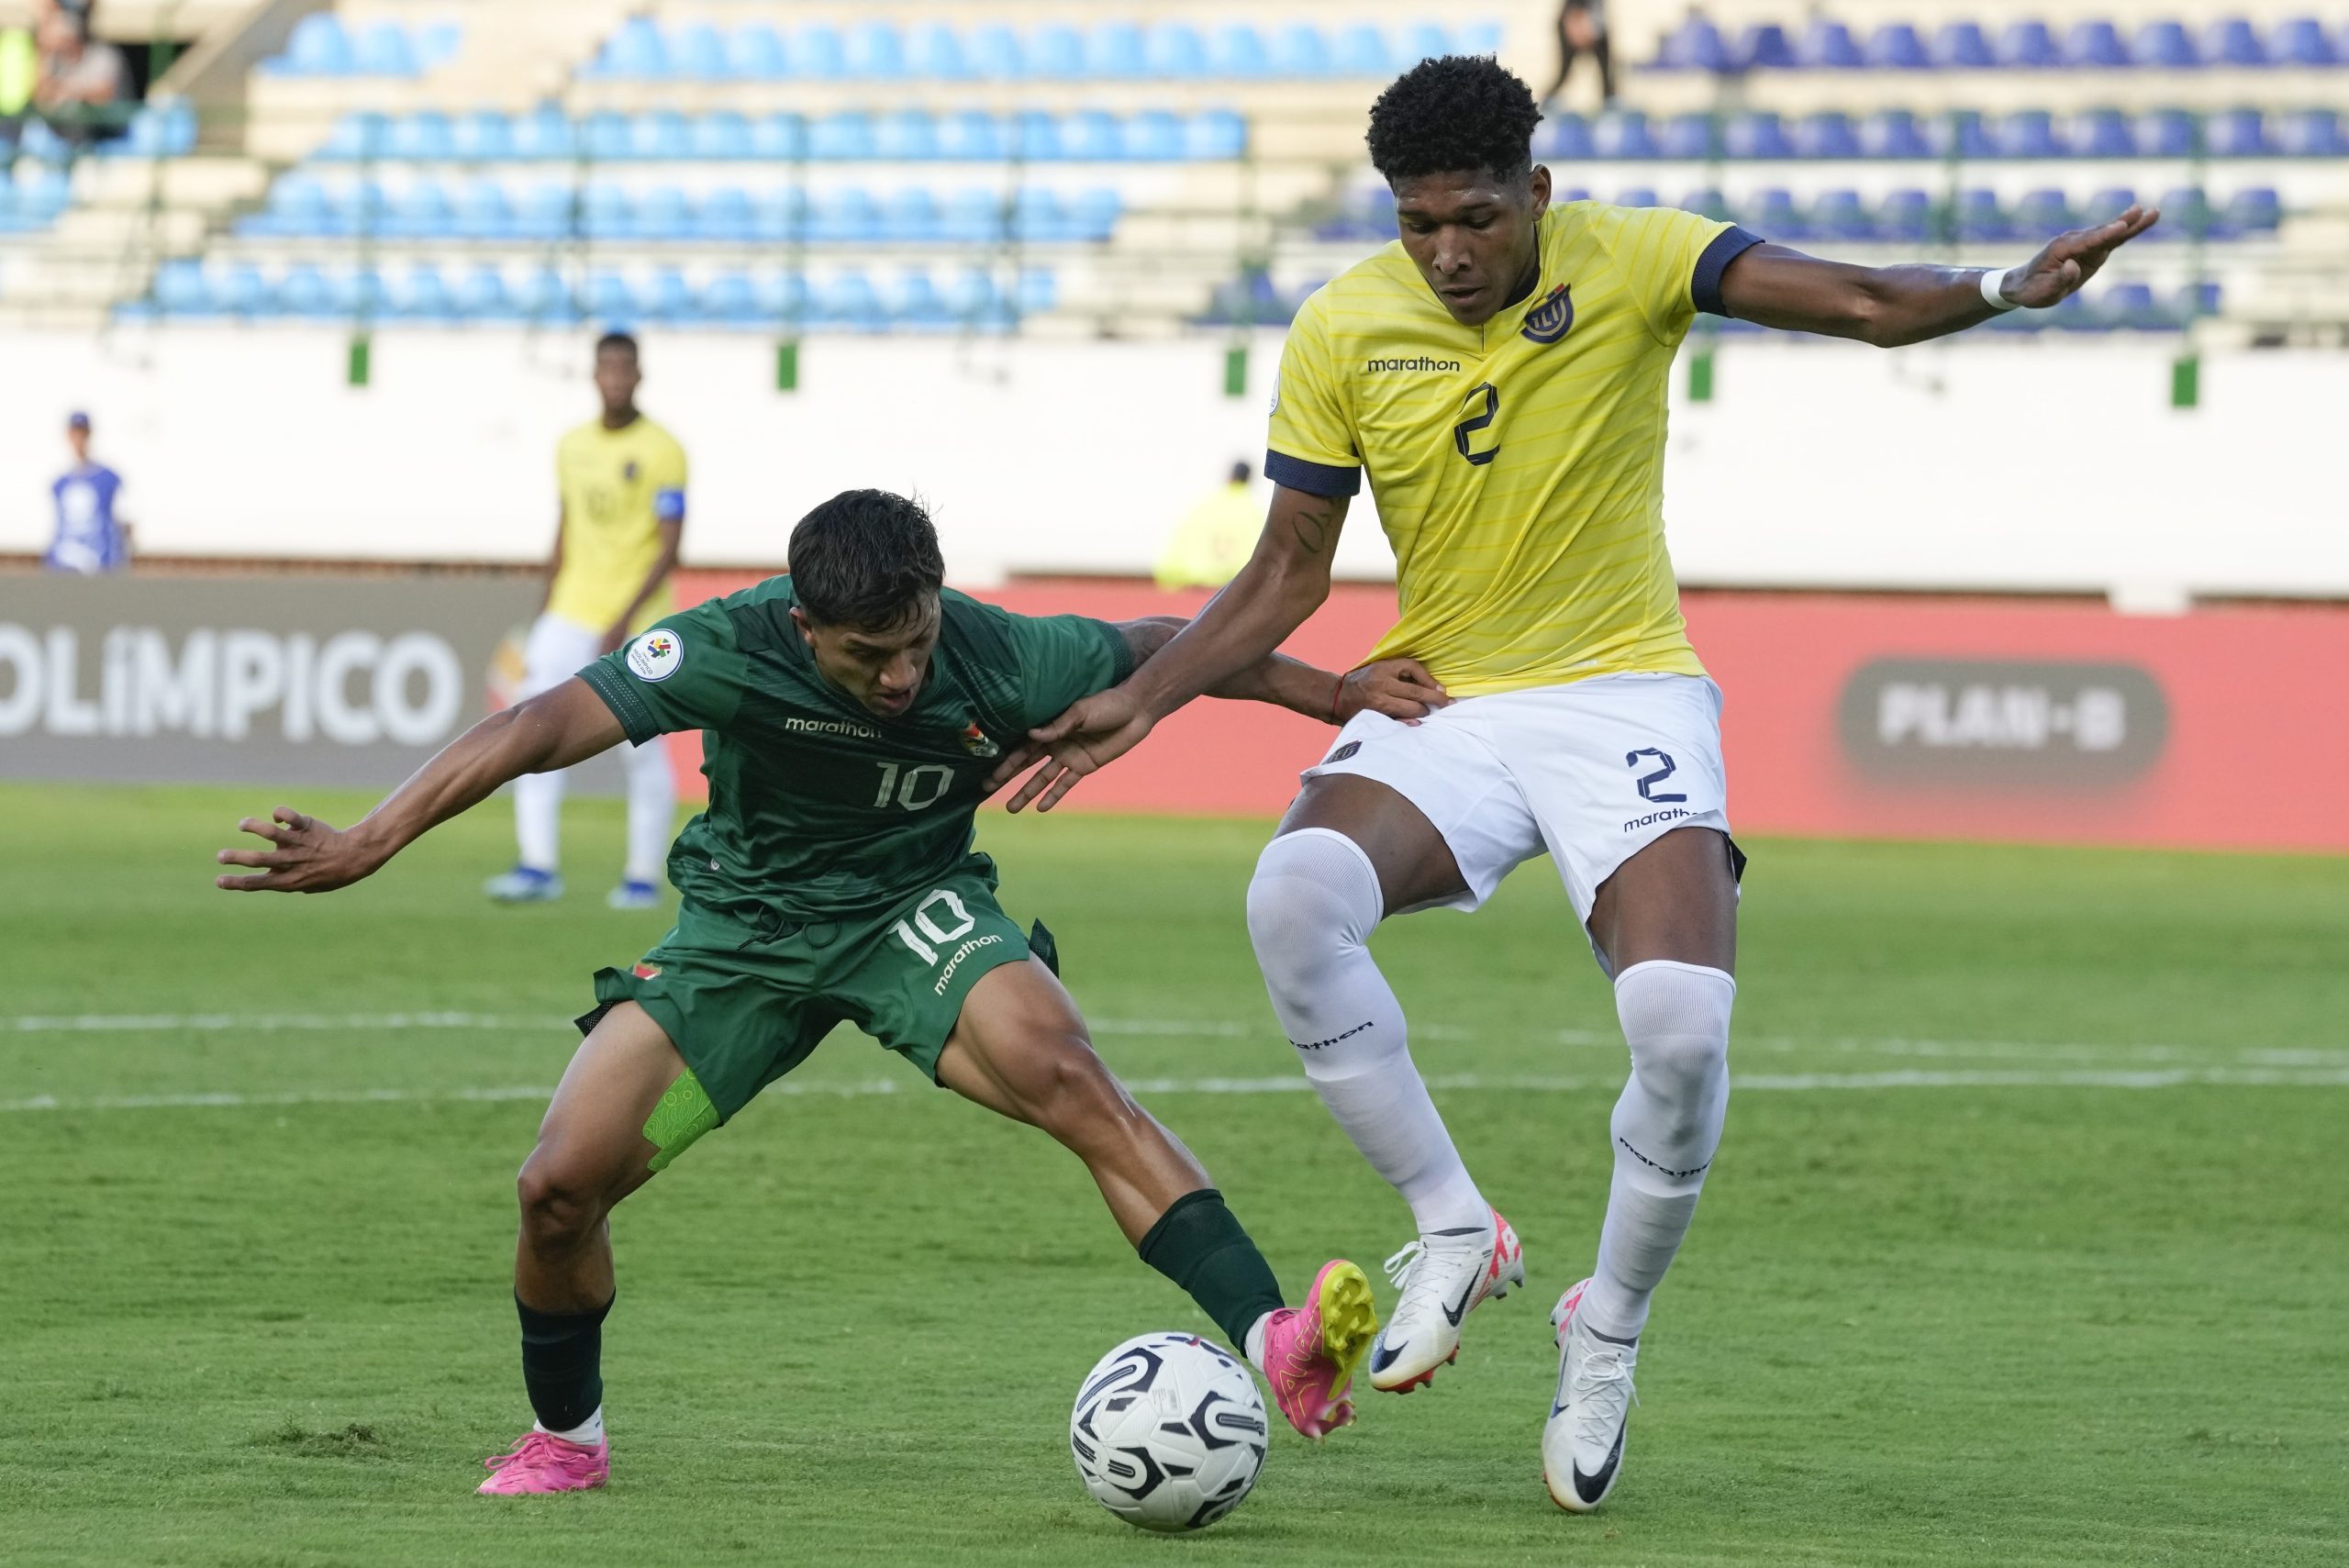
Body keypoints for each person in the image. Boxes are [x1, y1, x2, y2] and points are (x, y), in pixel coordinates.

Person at [995, 55, 2155, 1512]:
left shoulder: (1642, 256)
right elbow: (1288, 569)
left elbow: (1862, 304)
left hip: (1624, 693)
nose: (1449, 251)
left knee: (1677, 1025)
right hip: (1454, 697)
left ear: (1536, 193)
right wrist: (1144, 704)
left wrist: (2003, 287)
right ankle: (1451, 1224)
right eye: (1420, 224)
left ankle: (1604, 1323)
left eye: (1476, 216)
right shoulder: (1343, 325)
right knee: (1293, 894)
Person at [215, 488, 1454, 1495]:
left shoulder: (986, 647)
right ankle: (567, 1439)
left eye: (916, 640)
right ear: (805, 627)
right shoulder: (726, 647)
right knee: (556, 1189)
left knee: (1074, 1081)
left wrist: (1333, 690)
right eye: (872, 656)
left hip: (912, 914)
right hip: (743, 936)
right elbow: (541, 725)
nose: (907, 674)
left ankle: (1275, 1342)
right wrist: (375, 836)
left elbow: (1156, 651)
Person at [487, 332, 686, 911]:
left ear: (639, 375)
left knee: (641, 744)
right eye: (606, 368)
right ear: (594, 375)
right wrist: (544, 610)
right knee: (528, 726)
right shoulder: (572, 446)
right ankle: (536, 864)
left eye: (625, 368)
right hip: (570, 610)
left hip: (640, 620)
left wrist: (624, 617)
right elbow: (567, 531)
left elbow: (670, 547)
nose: (615, 378)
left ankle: (642, 876)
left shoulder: (663, 449)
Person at [31, 4, 131, 148]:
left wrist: (68, 91)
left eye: (64, 39)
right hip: (65, 133)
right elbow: (41, 97)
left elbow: (103, 94)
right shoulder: (54, 59)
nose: (62, 45)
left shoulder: (103, 55)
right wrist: (45, 53)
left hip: (104, 131)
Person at [43, 409, 130, 573]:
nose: (79, 439)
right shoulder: (60, 483)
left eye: (82, 433)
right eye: (75, 433)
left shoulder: (107, 478)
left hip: (100, 566)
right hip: (64, 566)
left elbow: (124, 522)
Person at [1153, 461, 1261, 591]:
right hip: (1230, 592)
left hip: (1191, 587)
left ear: (1229, 476)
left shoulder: (1203, 508)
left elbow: (1178, 549)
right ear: (1249, 480)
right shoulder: (1254, 514)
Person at [1541, 0, 1614, 110]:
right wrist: (1578, 31)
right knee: (1564, 73)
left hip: (1595, 27)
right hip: (1576, 27)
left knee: (1606, 73)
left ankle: (1610, 105)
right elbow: (1573, 11)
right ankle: (1546, 103)